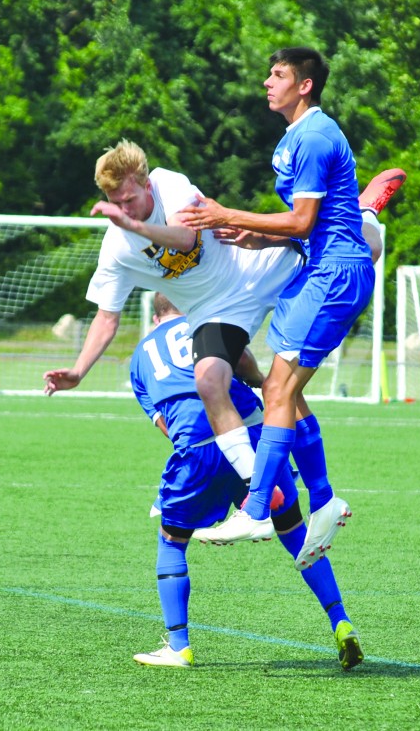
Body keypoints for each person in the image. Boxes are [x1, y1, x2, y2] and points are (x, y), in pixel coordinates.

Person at [182, 47, 399, 569]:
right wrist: (249, 234)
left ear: (304, 86)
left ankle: (259, 506)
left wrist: (226, 212)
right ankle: (323, 499)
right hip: (317, 268)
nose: (266, 82)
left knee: (278, 388)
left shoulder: (315, 136)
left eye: (277, 75)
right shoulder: (295, 137)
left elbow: (303, 221)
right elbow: (305, 227)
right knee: (286, 391)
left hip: (333, 272)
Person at [43, 139, 304, 521]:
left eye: (129, 199)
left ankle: (361, 211)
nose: (123, 209)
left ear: (145, 183)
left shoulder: (169, 183)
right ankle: (259, 492)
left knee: (360, 249)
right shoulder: (117, 247)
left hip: (254, 265)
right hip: (216, 310)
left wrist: (134, 225)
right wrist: (79, 371)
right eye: (116, 203)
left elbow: (185, 237)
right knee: (209, 381)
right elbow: (106, 317)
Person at [129, 293, 363, 670]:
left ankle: (179, 647)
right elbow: (239, 360)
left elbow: (165, 424)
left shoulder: (141, 355)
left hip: (198, 446)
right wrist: (259, 381)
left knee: (172, 541)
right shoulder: (205, 320)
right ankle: (341, 622)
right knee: (297, 534)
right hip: (254, 432)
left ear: (156, 316)